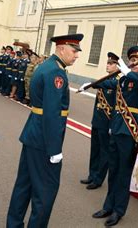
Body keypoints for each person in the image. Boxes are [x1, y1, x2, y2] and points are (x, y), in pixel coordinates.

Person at [7, 33, 84, 228]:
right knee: (45, 191)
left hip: (33, 134)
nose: (76, 56)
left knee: (23, 186)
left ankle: (14, 224)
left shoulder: (47, 66)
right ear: (61, 48)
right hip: (43, 141)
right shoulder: (56, 73)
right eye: (74, 51)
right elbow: (52, 114)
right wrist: (55, 150)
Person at [81, 45, 138, 227]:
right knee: (113, 171)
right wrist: (89, 84)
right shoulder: (123, 81)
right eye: (132, 60)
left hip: (129, 133)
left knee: (123, 174)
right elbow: (107, 83)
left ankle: (119, 210)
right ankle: (108, 206)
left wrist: (127, 71)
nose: (134, 63)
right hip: (115, 130)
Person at [80, 52, 120, 190]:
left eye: (111, 63)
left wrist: (112, 124)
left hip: (107, 122)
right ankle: (92, 175)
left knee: (104, 152)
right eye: (107, 63)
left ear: (118, 66)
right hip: (97, 120)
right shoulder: (105, 79)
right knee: (95, 149)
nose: (108, 65)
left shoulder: (118, 81)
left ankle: (98, 179)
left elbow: (116, 105)